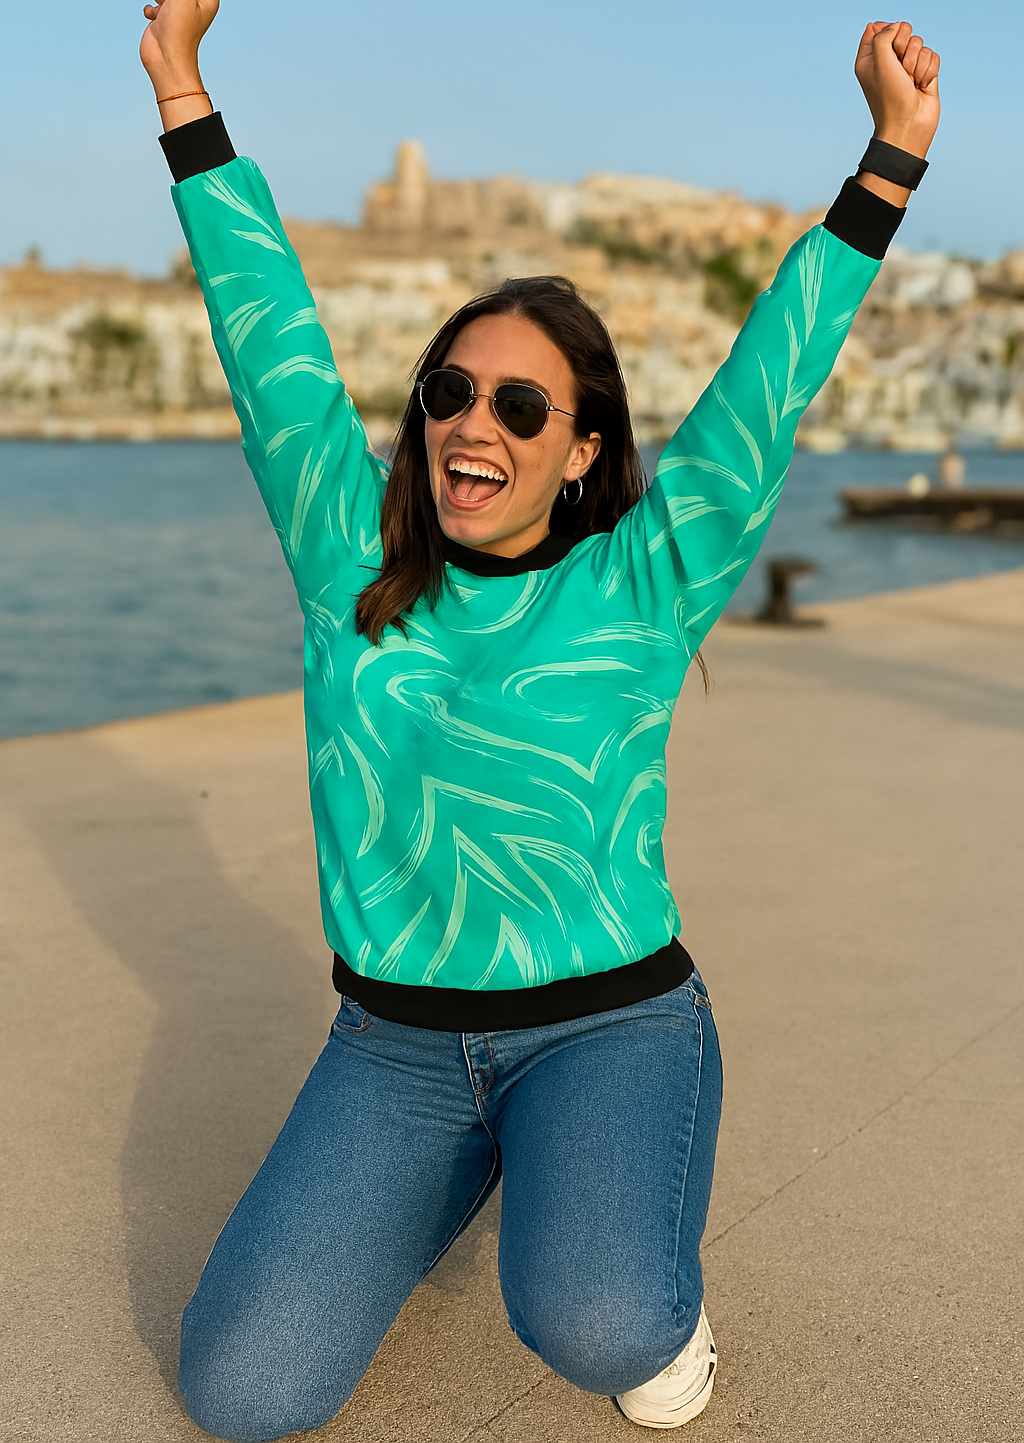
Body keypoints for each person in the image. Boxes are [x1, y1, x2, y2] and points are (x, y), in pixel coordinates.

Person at [139, 6, 940, 1438]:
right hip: (392, 1042)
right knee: (241, 1390)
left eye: (521, 403)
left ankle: (617, 1230)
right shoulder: (349, 564)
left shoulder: (643, 578)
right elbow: (270, 342)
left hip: (609, 1023)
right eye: (451, 392)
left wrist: (886, 160)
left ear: (581, 451)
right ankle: (485, 1164)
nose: (474, 426)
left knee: (598, 1320)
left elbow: (768, 388)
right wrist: (184, 90)